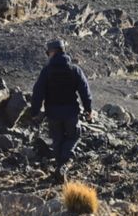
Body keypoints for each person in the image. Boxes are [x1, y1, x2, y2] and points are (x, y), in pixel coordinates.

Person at [31, 39, 93, 184]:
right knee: (73, 137)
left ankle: (60, 169)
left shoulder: (46, 71)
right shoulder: (74, 69)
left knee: (57, 141)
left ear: (53, 52)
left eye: (48, 52)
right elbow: (85, 91)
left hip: (52, 113)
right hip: (71, 112)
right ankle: (63, 167)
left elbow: (37, 92)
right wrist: (88, 109)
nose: (48, 55)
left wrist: (35, 112)